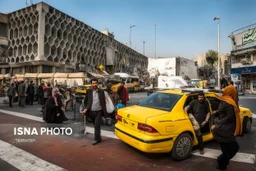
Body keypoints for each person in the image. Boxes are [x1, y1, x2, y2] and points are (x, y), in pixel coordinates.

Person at [211, 85, 242, 170]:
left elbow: (222, 110)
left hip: (221, 130)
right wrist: (218, 123)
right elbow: (230, 116)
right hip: (224, 130)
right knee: (234, 148)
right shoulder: (228, 101)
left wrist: (216, 112)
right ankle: (221, 161)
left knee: (226, 150)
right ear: (232, 93)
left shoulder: (224, 100)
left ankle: (222, 164)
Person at [81, 77, 108, 145]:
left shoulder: (101, 91)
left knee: (97, 125)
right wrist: (85, 108)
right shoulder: (89, 91)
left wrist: (105, 111)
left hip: (99, 111)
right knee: (95, 125)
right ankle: (99, 138)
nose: (94, 84)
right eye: (93, 83)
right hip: (91, 111)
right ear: (91, 84)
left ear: (97, 84)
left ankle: (96, 139)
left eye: (95, 83)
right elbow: (86, 101)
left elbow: (103, 102)